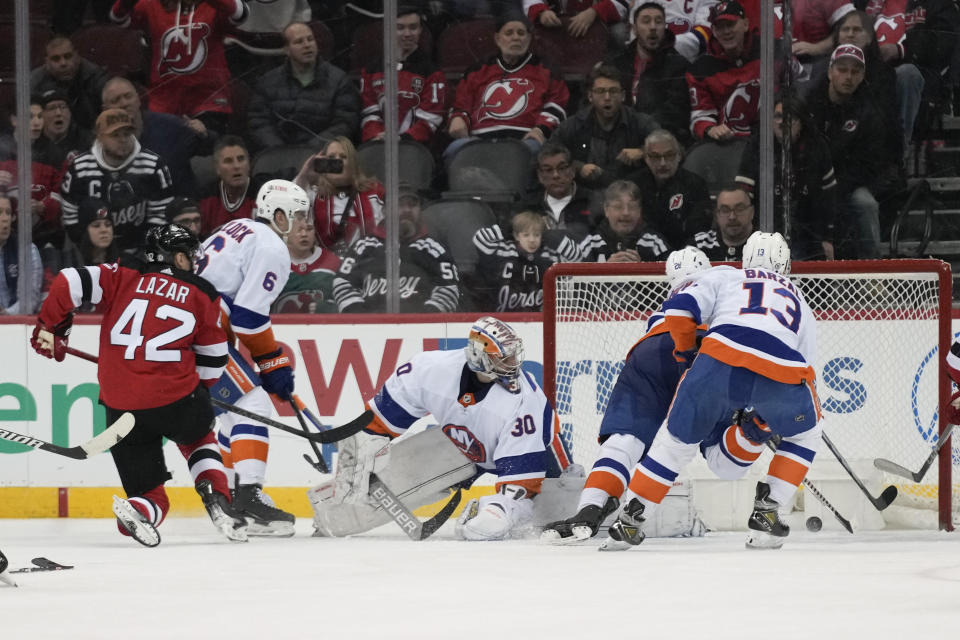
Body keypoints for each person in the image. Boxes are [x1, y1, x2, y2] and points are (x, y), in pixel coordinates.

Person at [29, 223, 245, 546]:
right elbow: (214, 361)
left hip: (120, 403)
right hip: (176, 397)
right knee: (198, 436)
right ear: (177, 258)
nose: (193, 262)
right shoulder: (202, 292)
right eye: (189, 255)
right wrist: (196, 388)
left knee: (151, 491)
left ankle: (139, 507)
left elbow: (68, 281)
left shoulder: (124, 273)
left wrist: (52, 327)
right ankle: (217, 498)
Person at [607, 232, 822, 550]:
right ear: (785, 263)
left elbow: (680, 308)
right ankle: (768, 510)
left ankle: (631, 519)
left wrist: (685, 353)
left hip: (718, 360)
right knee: (807, 433)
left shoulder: (724, 275)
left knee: (674, 444)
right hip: (780, 369)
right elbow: (807, 367)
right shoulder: (800, 299)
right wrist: (794, 412)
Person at [541, 246, 749, 542]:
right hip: (702, 349)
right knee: (717, 450)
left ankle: (589, 507)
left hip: (648, 352)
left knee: (624, 440)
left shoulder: (663, 306)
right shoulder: (726, 279)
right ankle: (755, 431)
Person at [311, 316, 573, 541]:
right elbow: (376, 425)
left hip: (538, 450)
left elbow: (519, 488)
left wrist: (497, 511)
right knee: (354, 497)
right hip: (461, 444)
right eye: (502, 359)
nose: (512, 364)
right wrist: (360, 451)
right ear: (478, 357)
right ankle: (327, 516)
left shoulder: (523, 403)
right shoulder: (429, 370)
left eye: (513, 356)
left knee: (558, 518)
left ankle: (568, 482)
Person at [195, 179, 308, 536]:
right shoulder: (271, 245)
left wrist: (268, 362)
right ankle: (248, 497)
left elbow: (234, 312)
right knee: (253, 402)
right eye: (298, 215)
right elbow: (248, 317)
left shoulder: (236, 228)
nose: (305, 223)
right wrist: (272, 361)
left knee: (233, 415)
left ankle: (230, 500)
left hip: (189, 328)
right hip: (200, 332)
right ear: (278, 214)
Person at [109, 0, 249, 136]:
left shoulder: (214, 6)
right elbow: (118, 17)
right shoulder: (151, 4)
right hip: (165, 100)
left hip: (209, 99)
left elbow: (240, 13)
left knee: (206, 147)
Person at [445, 15, 569, 162]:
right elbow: (461, 104)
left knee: (537, 152)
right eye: (509, 33)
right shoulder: (478, 70)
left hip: (524, 141)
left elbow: (556, 105)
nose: (516, 38)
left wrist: (540, 129)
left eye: (521, 33)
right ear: (497, 38)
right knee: (454, 150)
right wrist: (458, 118)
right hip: (479, 141)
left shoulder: (546, 69)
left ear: (529, 39)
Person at [805, 44, 888, 259]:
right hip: (811, 180)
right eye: (842, 69)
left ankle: (873, 271)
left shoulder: (870, 111)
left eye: (855, 71)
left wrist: (838, 186)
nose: (848, 76)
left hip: (848, 185)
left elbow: (870, 162)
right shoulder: (810, 102)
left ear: (862, 76)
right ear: (830, 71)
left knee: (866, 203)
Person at [736, 94, 838, 260]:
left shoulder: (817, 147)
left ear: (802, 121)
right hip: (764, 231)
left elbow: (828, 199)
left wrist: (827, 239)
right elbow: (743, 194)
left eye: (791, 117)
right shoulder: (757, 145)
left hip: (807, 233)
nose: (783, 122)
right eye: (778, 116)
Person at [60, 108, 175, 254]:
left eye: (127, 134)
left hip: (139, 254)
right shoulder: (79, 167)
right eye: (115, 135)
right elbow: (70, 215)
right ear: (100, 136)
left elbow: (162, 214)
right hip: (93, 254)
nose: (123, 140)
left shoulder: (153, 165)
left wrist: (144, 252)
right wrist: (90, 250)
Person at [332, 185, 460, 313]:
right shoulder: (364, 247)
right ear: (384, 211)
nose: (407, 210)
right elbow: (343, 283)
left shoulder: (435, 250)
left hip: (418, 330)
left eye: (412, 205)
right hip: (370, 328)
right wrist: (362, 319)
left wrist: (423, 321)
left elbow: (448, 289)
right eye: (399, 205)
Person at [246, 21, 360, 151]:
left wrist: (311, 149)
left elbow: (345, 122)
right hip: (280, 156)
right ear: (287, 50)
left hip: (322, 153)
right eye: (299, 42)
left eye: (310, 39)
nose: (307, 45)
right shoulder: (267, 82)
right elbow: (258, 122)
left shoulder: (339, 80)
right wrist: (280, 150)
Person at [549, 65, 658, 191]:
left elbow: (673, 147)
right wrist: (578, 167)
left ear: (622, 96)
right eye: (600, 91)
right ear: (590, 96)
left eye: (613, 91)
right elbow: (547, 154)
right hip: (584, 195)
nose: (607, 97)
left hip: (630, 194)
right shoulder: (574, 124)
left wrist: (643, 152)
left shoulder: (639, 122)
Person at [101, 76, 209, 198]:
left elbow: (209, 148)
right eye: (116, 100)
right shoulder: (101, 145)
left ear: (138, 99)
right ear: (105, 109)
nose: (124, 103)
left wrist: (204, 134)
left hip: (181, 207)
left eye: (128, 96)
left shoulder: (171, 126)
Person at [359, 6, 446, 146]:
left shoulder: (432, 72)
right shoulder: (371, 70)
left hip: (416, 148)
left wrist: (405, 139)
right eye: (400, 28)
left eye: (413, 27)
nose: (407, 34)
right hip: (377, 145)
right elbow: (369, 113)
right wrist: (377, 136)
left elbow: (430, 118)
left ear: (420, 30)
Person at [606, 2, 692, 143]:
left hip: (659, 142)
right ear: (634, 29)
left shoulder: (678, 65)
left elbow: (674, 115)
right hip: (617, 139)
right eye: (646, 21)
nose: (653, 27)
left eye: (658, 22)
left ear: (664, 28)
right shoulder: (616, 62)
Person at [471, 210, 582, 312]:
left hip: (540, 320)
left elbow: (576, 257)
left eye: (536, 235)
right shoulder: (505, 249)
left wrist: (551, 235)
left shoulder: (550, 255)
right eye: (526, 235)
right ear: (516, 235)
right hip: (504, 317)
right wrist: (508, 228)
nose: (532, 240)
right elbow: (480, 239)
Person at [295, 136, 384, 255]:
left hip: (370, 263)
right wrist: (303, 177)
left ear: (353, 163)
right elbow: (288, 214)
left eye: (343, 157)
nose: (337, 161)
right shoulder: (313, 195)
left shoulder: (375, 192)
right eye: (331, 158)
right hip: (326, 267)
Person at [633, 129, 712, 250]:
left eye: (669, 155)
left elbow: (700, 229)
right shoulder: (635, 184)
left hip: (686, 253)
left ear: (679, 155)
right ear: (646, 158)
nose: (663, 163)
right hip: (645, 252)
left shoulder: (695, 184)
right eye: (655, 157)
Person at [519, 143, 597, 241]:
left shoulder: (592, 201)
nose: (555, 175)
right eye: (548, 170)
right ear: (539, 176)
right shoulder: (528, 206)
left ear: (572, 171)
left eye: (562, 168)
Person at [30, 35, 109, 131]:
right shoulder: (35, 81)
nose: (63, 63)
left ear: (77, 57)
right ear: (47, 62)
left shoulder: (95, 77)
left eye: (68, 56)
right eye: (56, 59)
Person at [578, 180, 669, 262]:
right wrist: (605, 272)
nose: (626, 212)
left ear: (639, 211)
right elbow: (573, 279)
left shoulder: (655, 243)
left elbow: (674, 276)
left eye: (632, 207)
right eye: (618, 207)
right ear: (606, 210)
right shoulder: (590, 244)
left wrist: (641, 270)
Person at [273, 214, 340, 314]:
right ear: (285, 234)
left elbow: (346, 305)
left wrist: (330, 310)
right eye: (298, 230)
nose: (304, 234)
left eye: (309, 229)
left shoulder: (333, 262)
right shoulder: (272, 263)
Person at [195, 135, 258, 237]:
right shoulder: (205, 198)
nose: (237, 166)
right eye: (228, 161)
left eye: (241, 159)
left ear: (249, 164)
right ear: (217, 168)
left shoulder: (261, 194)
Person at [0, 195, 44, 315]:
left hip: (17, 325)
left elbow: (30, 300)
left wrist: (7, 314)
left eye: (8, 213)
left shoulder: (27, 250)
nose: (5, 219)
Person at [691, 184, 755, 261]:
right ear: (716, 215)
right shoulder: (699, 246)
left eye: (739, 209)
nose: (732, 217)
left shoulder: (766, 246)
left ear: (751, 212)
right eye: (725, 210)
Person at [62, 196, 122, 271]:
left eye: (108, 225)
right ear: (85, 231)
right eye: (96, 225)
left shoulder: (125, 264)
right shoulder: (72, 267)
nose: (104, 230)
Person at [38, 88, 93, 165]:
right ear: (41, 116)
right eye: (51, 108)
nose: (58, 113)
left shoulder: (87, 141)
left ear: (70, 113)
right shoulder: (33, 145)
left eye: (63, 107)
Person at [524, 0, 629, 38]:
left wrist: (594, 11)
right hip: (558, 30)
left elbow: (624, 3)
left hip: (600, 29)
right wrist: (542, 12)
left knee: (619, 32)